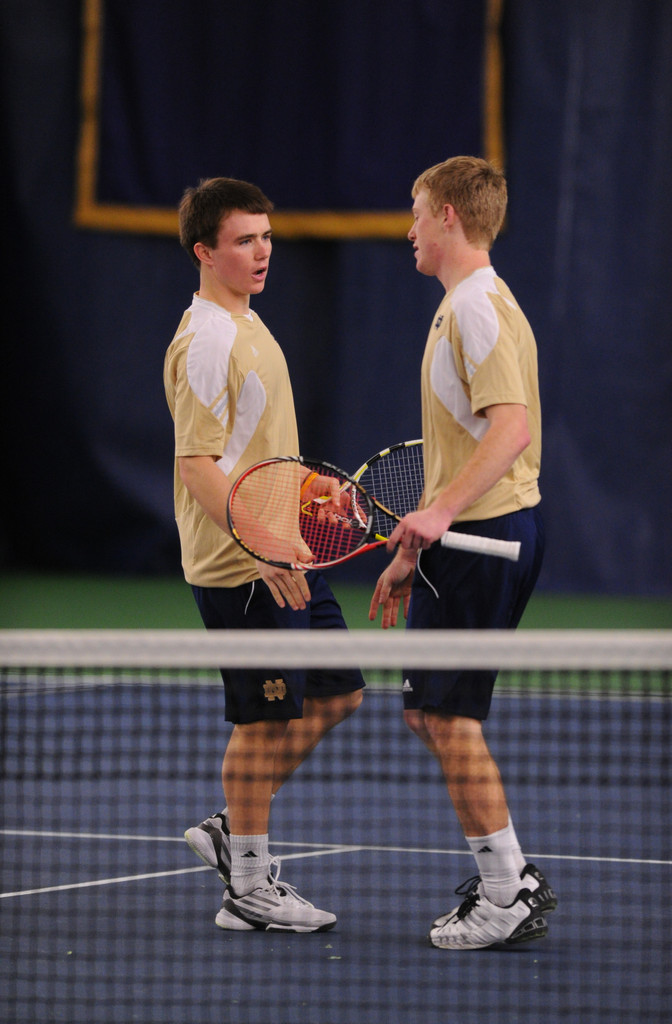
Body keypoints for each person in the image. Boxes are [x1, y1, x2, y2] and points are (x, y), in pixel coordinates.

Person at [163, 177, 364, 933]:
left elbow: (260, 452)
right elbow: (199, 464)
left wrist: (315, 493)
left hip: (288, 555)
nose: (262, 251)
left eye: (266, 237)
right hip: (245, 570)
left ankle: (229, 828)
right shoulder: (208, 340)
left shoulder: (249, 325)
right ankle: (247, 888)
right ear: (204, 251)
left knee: (340, 694)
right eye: (244, 239)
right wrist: (262, 544)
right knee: (262, 725)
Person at [369, 156, 557, 950]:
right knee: (427, 711)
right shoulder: (468, 304)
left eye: (415, 213)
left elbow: (509, 426)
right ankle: (509, 874)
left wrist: (440, 514)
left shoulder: (475, 308)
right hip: (468, 537)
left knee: (444, 716)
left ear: (447, 215)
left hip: (483, 537)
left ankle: (504, 892)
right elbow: (477, 439)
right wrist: (419, 543)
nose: (408, 230)